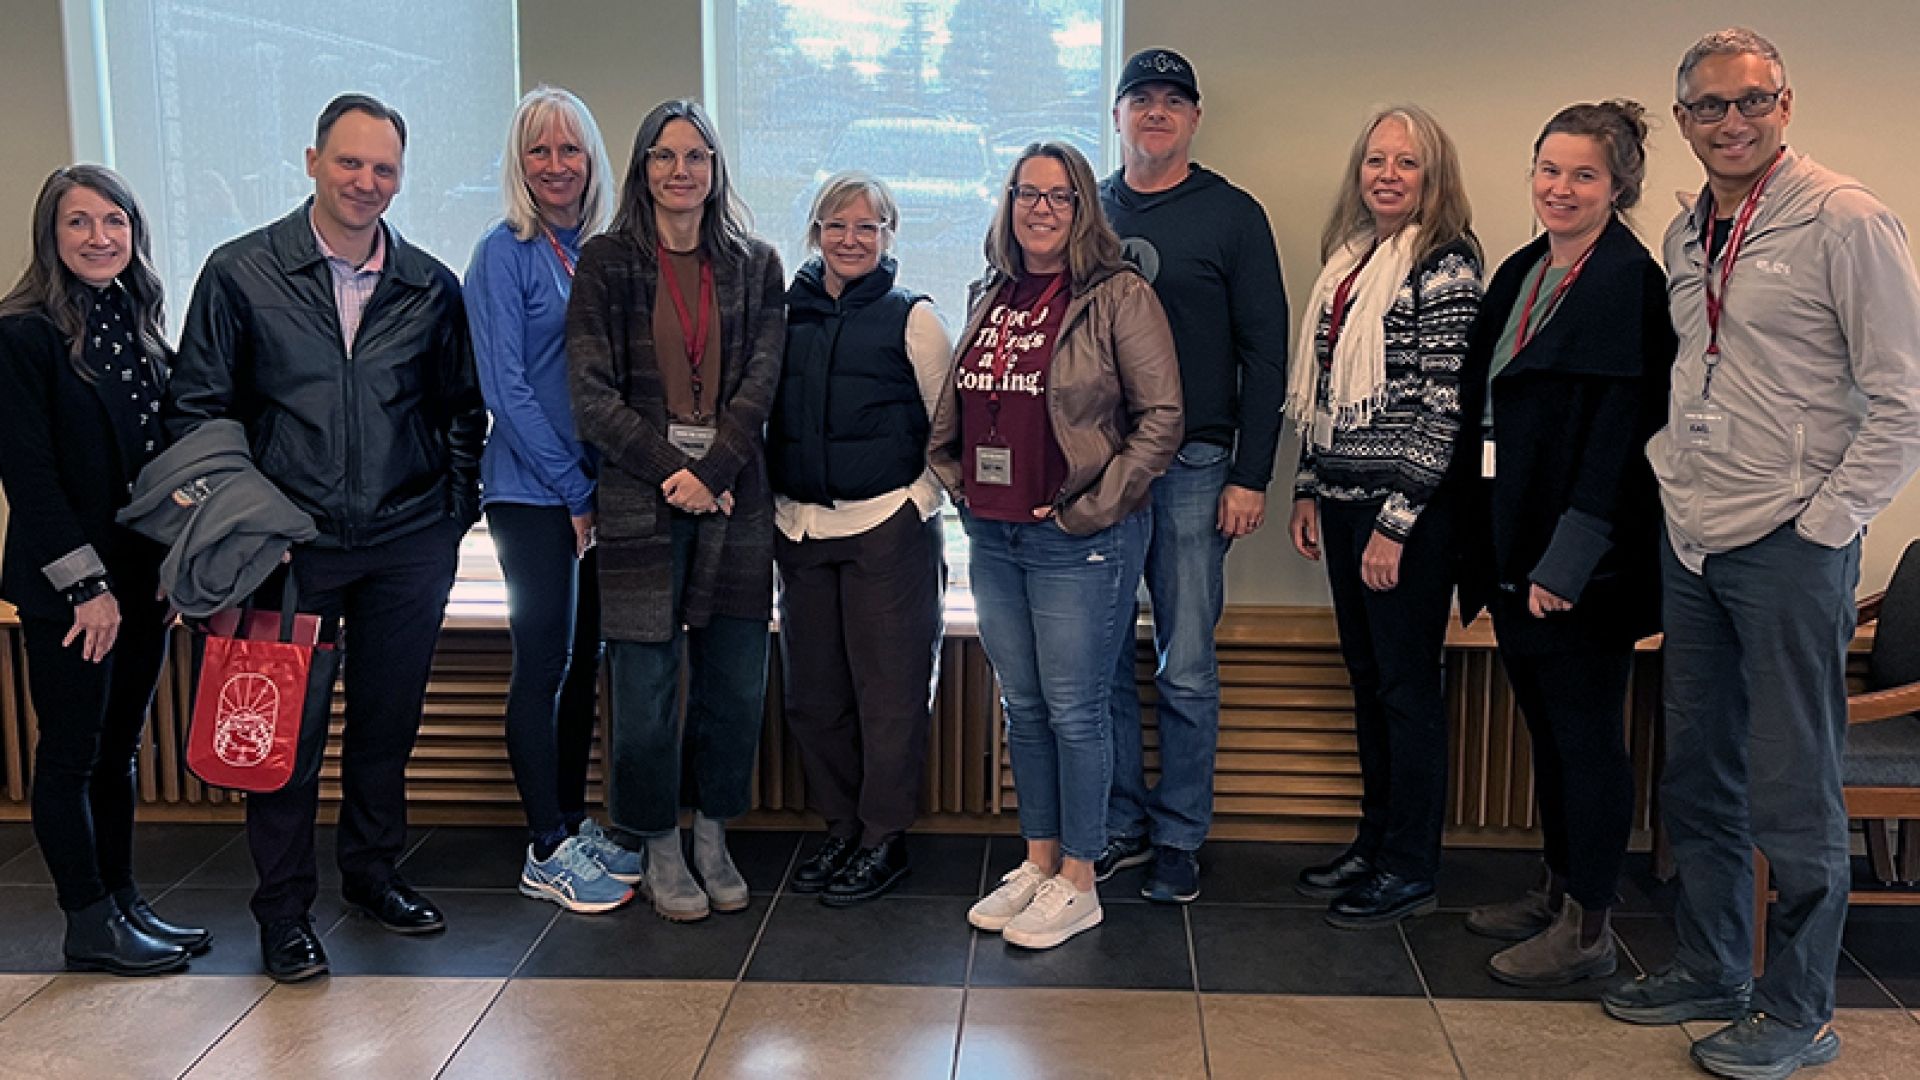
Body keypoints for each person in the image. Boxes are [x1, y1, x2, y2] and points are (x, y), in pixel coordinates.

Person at [1601, 29, 1920, 1080]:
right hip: (1697, 538)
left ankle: (1798, 1009)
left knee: (1792, 783)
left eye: (1751, 102)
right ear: (1683, 118)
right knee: (1700, 770)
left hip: (1791, 543)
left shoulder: (1846, 219)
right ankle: (1710, 967)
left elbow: (1904, 404)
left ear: (1785, 103)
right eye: (1708, 107)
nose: (1730, 123)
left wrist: (1828, 524)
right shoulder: (1687, 231)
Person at [165, 93, 486, 982]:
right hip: (285, 551)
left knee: (387, 726)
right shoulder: (240, 274)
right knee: (283, 743)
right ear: (312, 162)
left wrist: (452, 523)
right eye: (350, 163)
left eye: (384, 169)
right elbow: (199, 413)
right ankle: (282, 915)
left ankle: (373, 875)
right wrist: (241, 536)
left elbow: (462, 412)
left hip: (405, 543)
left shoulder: (430, 285)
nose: (366, 183)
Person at [932, 141, 1183, 951]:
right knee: (1025, 707)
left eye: (1060, 195)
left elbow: (1161, 420)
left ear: (1084, 209)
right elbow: (963, 408)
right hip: (995, 531)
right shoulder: (991, 290)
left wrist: (1092, 510)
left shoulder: (1118, 295)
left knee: (1077, 712)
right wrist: (959, 483)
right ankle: (1039, 863)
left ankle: (1082, 876)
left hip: (1079, 541)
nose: (1041, 208)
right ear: (1006, 205)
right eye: (1026, 193)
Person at [1453, 101, 1676, 987]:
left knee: (1585, 738)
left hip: (1580, 565)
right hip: (1516, 549)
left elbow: (1621, 438)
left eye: (1584, 175)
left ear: (1619, 186)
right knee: (1546, 732)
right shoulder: (1524, 271)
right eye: (1550, 169)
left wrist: (1568, 562)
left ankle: (1590, 929)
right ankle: (1557, 886)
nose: (1561, 188)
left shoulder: (1628, 282)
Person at [567, 98, 785, 924]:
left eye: (696, 156)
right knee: (646, 683)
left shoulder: (754, 265)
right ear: (642, 168)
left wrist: (717, 465)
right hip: (638, 501)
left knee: (734, 678)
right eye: (664, 155)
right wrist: (675, 472)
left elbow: (762, 379)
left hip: (737, 498)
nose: (681, 170)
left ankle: (713, 835)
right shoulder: (606, 262)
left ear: (715, 169)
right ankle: (658, 840)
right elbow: (591, 395)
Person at [1096, 48, 1291, 903]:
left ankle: (1179, 837)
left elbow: (1267, 353)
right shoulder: (1084, 212)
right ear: (1118, 116)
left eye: (1175, 101)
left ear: (1195, 119)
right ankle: (1117, 826)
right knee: (1098, 659)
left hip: (1198, 468)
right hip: (1097, 472)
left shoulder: (1234, 216)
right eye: (1142, 99)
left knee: (1185, 665)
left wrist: (1251, 475)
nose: (1158, 114)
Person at [0, 165, 205, 975]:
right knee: (71, 755)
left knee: (121, 751)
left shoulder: (142, 328)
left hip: (143, 583)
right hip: (73, 592)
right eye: (78, 223)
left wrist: (173, 566)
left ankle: (123, 902)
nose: (98, 237)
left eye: (113, 221)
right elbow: (30, 476)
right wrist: (86, 589)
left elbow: (163, 463)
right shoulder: (21, 337)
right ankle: (86, 919)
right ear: (51, 237)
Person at [1284, 105, 1482, 929]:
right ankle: (1374, 842)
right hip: (1341, 498)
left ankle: (1410, 866)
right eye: (1376, 161)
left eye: (1407, 163)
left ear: (1434, 176)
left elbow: (1445, 411)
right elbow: (1327, 386)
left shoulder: (1446, 267)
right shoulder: (1350, 259)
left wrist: (1396, 522)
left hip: (1408, 516)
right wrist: (1306, 481)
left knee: (1407, 690)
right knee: (1369, 684)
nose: (1389, 175)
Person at [464, 86, 634, 914]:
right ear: (519, 163)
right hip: (534, 496)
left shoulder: (603, 250)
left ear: (593, 161)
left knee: (586, 663)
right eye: (540, 150)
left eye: (571, 150)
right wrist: (572, 491)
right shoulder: (504, 254)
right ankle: (543, 847)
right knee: (545, 664)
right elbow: (506, 390)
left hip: (599, 495)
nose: (557, 166)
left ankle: (571, 820)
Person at [768, 172, 949, 906]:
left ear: (888, 237)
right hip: (801, 527)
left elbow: (948, 423)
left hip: (886, 530)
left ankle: (882, 839)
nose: (851, 239)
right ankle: (840, 827)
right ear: (815, 232)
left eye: (868, 227)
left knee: (889, 695)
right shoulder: (784, 313)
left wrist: (918, 503)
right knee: (814, 696)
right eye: (838, 225)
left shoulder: (915, 318)